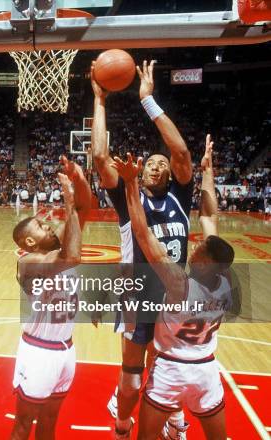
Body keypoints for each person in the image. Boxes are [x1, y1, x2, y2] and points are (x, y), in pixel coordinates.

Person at [91, 60, 193, 439]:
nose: (154, 166)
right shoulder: (128, 196)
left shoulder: (181, 197)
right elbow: (101, 158)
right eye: (150, 162)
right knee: (132, 381)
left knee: (172, 366)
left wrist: (148, 101)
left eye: (160, 163)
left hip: (174, 296)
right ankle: (122, 425)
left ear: (170, 173)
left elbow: (181, 152)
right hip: (137, 298)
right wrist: (99, 101)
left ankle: (173, 422)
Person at [112, 136, 231, 440]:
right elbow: (210, 218)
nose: (196, 248)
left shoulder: (177, 284)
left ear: (201, 261)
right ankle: (176, 421)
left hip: (172, 370)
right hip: (206, 371)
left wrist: (130, 186)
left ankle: (133, 423)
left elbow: (142, 233)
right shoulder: (226, 284)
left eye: (200, 250)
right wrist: (207, 171)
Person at [10, 157, 91, 440]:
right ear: (30, 242)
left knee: (49, 421)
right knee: (23, 424)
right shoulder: (29, 261)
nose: (48, 226)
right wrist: (69, 203)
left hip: (66, 348)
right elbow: (73, 256)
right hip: (39, 350)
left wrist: (80, 182)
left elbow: (82, 211)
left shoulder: (54, 250)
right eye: (41, 228)